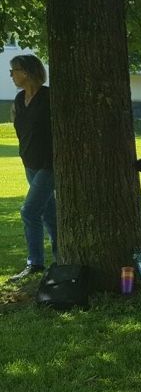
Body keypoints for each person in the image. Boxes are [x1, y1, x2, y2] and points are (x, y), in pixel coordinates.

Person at [8, 54, 57, 283]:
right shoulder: (20, 99)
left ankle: (35, 263)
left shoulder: (48, 97)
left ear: (26, 72)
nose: (11, 75)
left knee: (29, 211)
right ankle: (61, 258)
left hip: (49, 164)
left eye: (14, 71)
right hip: (30, 163)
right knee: (49, 213)